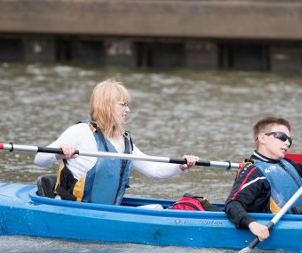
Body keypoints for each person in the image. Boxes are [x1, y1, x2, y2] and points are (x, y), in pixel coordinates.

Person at [34, 79, 199, 205]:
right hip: (71, 209)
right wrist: (58, 153)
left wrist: (181, 166)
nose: (128, 110)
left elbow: (154, 170)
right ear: (107, 106)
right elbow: (39, 159)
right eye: (123, 105)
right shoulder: (80, 132)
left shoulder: (123, 141)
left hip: (107, 213)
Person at [225, 117, 302, 241]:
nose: (287, 143)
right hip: (273, 229)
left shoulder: (287, 164)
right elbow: (233, 204)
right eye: (282, 137)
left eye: (289, 140)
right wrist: (252, 224)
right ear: (262, 138)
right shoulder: (253, 171)